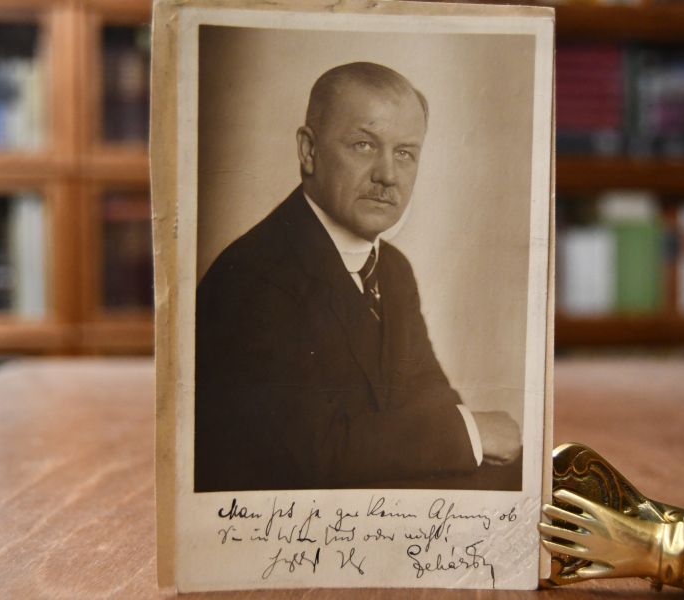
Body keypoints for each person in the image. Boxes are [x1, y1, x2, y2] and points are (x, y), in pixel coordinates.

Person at [194, 62, 521, 492]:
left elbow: (431, 401)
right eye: (364, 145)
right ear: (309, 151)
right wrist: (471, 433)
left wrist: (459, 434)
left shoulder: (393, 270)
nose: (387, 175)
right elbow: (319, 453)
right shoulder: (252, 278)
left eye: (404, 153)